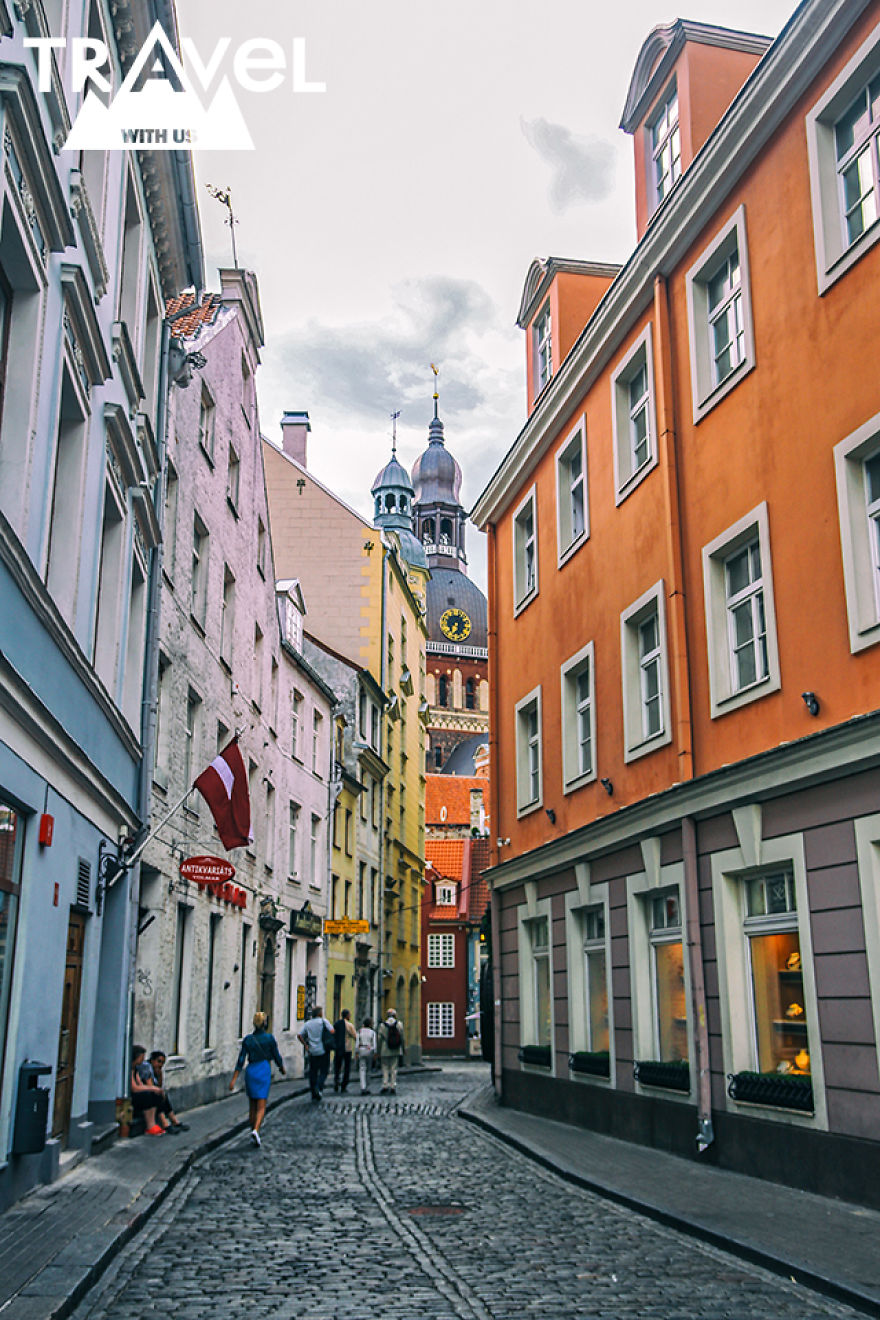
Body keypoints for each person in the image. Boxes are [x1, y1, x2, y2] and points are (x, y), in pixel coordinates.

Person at [229, 1011, 286, 1147]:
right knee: (261, 1105)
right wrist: (281, 1068)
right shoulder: (269, 1039)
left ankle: (252, 1130)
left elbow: (241, 1060)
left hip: (251, 1070)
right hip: (263, 1069)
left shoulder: (248, 1040)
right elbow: (276, 1055)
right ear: (265, 1023)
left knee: (252, 1105)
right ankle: (256, 1130)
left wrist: (234, 1079)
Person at [298, 1005, 334, 1101]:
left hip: (312, 1051)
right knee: (324, 1071)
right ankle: (319, 1086)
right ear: (320, 1013)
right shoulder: (323, 1022)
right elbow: (332, 1031)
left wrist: (305, 1045)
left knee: (313, 1072)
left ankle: (313, 1091)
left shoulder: (308, 1023)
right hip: (323, 1050)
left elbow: (300, 1035)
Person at [148, 1051, 189, 1132]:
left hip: (152, 1092)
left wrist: (159, 1074)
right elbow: (150, 1086)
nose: (160, 1065)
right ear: (152, 1060)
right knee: (158, 1096)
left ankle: (174, 1121)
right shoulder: (147, 1068)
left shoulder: (157, 1070)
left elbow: (159, 1085)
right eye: (159, 1061)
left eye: (162, 1063)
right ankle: (165, 1124)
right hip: (145, 1093)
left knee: (163, 1095)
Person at [131, 1045, 165, 1135]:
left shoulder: (136, 1069)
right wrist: (152, 1088)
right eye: (141, 1057)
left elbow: (140, 1084)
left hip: (138, 1092)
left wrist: (153, 1089)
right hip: (132, 1096)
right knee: (147, 1095)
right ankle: (150, 1125)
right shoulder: (130, 1069)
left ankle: (153, 1123)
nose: (143, 1059)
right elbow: (134, 1088)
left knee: (155, 1095)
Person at [377, 1008, 405, 1095]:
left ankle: (385, 1085)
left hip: (385, 1049)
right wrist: (403, 1048)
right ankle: (393, 1086)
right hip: (395, 1049)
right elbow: (402, 1038)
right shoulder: (399, 1024)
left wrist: (378, 1050)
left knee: (385, 1068)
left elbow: (379, 1039)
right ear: (395, 1015)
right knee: (394, 1069)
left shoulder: (382, 1025)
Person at [333, 1009, 357, 1092]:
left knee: (337, 1067)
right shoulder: (349, 1025)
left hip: (338, 1048)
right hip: (347, 1048)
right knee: (347, 1067)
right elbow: (355, 1036)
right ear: (347, 1015)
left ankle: (336, 1081)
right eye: (349, 1015)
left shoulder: (336, 1024)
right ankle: (344, 1085)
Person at [355, 1017, 377, 1095]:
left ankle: (362, 1087)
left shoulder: (359, 1031)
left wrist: (356, 1052)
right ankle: (367, 1086)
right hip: (369, 1050)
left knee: (362, 1069)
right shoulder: (372, 1032)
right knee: (368, 1069)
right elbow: (374, 1044)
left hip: (361, 1049)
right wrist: (375, 1053)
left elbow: (357, 1043)